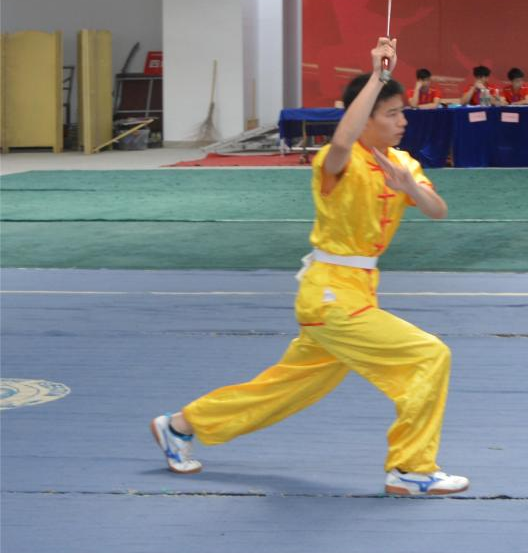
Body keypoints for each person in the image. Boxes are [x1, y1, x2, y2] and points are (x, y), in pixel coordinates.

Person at [149, 38, 468, 498]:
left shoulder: (403, 163)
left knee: (286, 388)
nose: (403, 121)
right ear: (366, 116)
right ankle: (411, 468)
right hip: (332, 297)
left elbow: (438, 210)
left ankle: (180, 425)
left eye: (403, 112)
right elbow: (342, 139)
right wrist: (377, 74)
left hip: (356, 291)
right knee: (428, 356)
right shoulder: (337, 161)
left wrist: (410, 189)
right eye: (392, 113)